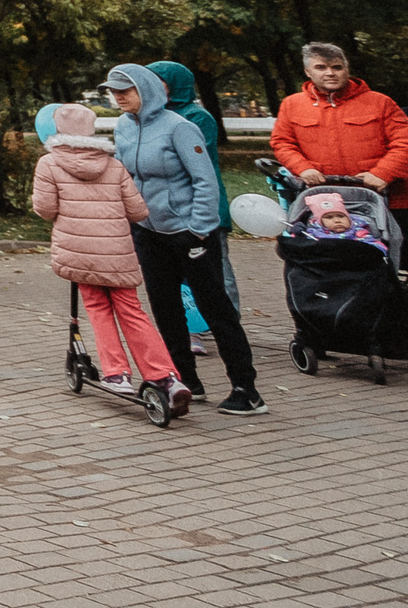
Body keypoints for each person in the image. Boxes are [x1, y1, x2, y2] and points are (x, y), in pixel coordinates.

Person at [107, 62, 263, 414]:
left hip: (188, 233)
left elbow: (205, 180)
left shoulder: (180, 128)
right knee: (166, 310)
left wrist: (198, 229)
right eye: (113, 91)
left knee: (215, 309)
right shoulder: (123, 127)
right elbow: (124, 174)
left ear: (145, 90)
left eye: (124, 91)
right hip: (149, 232)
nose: (117, 97)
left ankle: (246, 389)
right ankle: (186, 380)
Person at [32, 100, 181, 400]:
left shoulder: (49, 164)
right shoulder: (113, 165)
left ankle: (117, 374)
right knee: (132, 311)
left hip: (79, 250)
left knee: (99, 309)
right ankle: (164, 376)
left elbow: (45, 209)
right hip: (117, 253)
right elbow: (138, 211)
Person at [271, 40, 408, 272]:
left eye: (337, 67)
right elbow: (283, 142)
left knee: (399, 261)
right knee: (329, 264)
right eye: (321, 68)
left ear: (347, 69)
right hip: (323, 201)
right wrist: (303, 168)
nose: (330, 73)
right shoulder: (292, 105)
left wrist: (383, 173)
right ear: (308, 72)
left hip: (387, 199)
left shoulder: (379, 102)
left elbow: (405, 141)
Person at [148, 61, 235, 318]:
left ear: (174, 85)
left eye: (157, 81)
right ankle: (196, 324)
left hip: (201, 204)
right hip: (169, 209)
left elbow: (195, 164)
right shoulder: (151, 117)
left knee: (216, 270)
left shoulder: (195, 117)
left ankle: (229, 318)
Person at [298, 191, 386, 245]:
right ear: (320, 222)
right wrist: (296, 235)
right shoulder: (314, 233)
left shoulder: (359, 232)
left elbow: (375, 246)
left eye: (341, 216)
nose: (337, 220)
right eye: (329, 218)